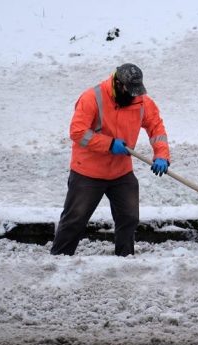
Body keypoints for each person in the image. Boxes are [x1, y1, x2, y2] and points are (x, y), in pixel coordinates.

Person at [51, 63, 170, 256]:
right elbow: (78, 132)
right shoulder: (92, 98)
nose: (133, 95)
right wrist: (109, 144)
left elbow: (156, 128)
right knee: (75, 219)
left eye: (136, 91)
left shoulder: (141, 102)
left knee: (129, 217)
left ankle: (124, 258)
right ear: (117, 83)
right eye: (129, 90)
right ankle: (58, 259)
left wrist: (162, 155)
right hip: (87, 172)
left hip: (121, 172)